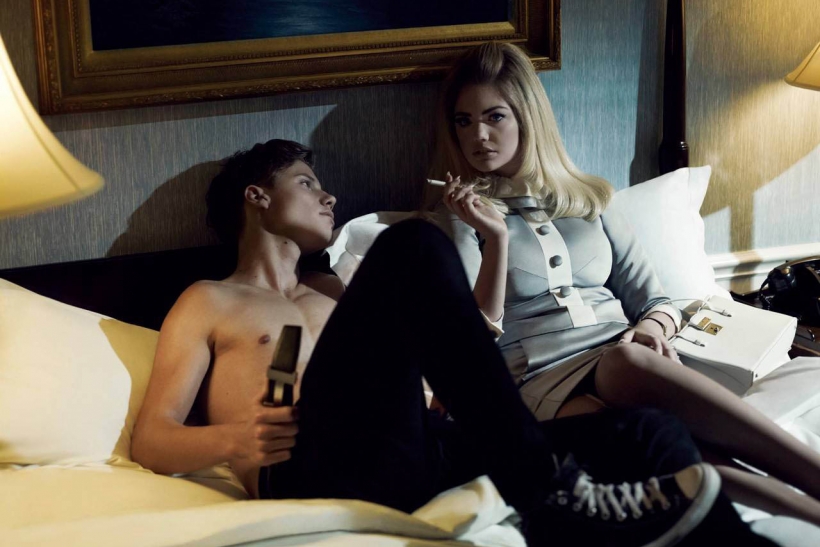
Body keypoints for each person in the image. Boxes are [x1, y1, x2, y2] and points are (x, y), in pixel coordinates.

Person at [129, 139, 760, 547]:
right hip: (306, 465)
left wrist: (490, 249)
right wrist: (233, 440)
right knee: (412, 244)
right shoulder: (209, 300)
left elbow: (458, 344)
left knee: (646, 432)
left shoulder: (335, 293)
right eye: (306, 182)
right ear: (257, 196)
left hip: (415, 450)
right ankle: (546, 498)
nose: (329, 196)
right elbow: (152, 439)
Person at [426, 41, 820, 526]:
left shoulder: (592, 199)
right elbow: (471, 343)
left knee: (627, 363)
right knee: (666, 446)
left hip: (626, 357)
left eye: (494, 117)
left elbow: (656, 300)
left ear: (527, 117)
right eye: (464, 121)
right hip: (537, 379)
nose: (479, 135)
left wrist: (652, 328)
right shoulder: (457, 219)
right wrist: (496, 238)